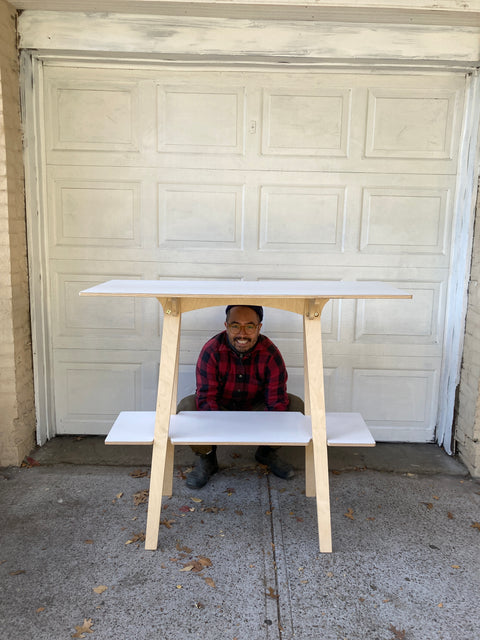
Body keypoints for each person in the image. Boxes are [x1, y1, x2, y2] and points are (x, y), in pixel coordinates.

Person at [177, 304, 304, 489]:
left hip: (256, 409)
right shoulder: (211, 350)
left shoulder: (270, 353)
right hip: (221, 408)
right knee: (187, 408)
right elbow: (206, 398)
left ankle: (266, 452)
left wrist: (265, 431)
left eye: (250, 326)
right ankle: (208, 459)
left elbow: (276, 401)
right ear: (226, 326)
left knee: (295, 407)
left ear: (259, 327)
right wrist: (222, 430)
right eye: (235, 325)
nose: (242, 334)